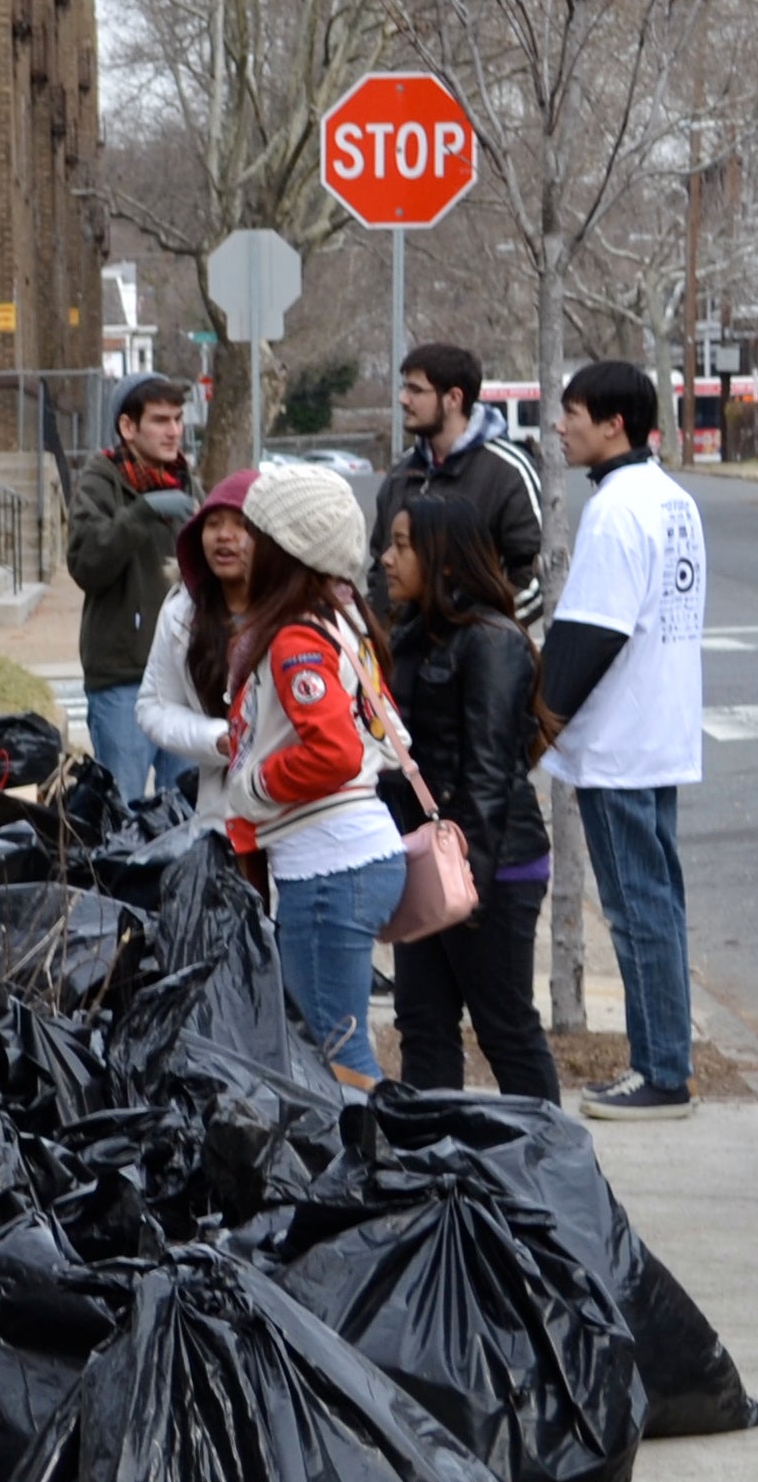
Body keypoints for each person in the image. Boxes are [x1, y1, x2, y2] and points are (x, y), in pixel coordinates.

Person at [537, 357, 709, 1118]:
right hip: (658, 733)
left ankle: (661, 1072)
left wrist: (535, 725)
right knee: (657, 905)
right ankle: (664, 1061)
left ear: (614, 424)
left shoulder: (615, 510)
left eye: (573, 413)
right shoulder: (672, 499)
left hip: (618, 742)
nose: (561, 426)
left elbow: (590, 633)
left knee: (638, 909)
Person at [215, 462, 408, 1086]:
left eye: (256, 533)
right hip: (344, 858)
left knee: (337, 1058)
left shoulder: (296, 638)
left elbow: (336, 753)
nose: (244, 544)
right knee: (331, 1044)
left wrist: (254, 785)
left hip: (329, 868)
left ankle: (377, 1176)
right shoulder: (342, 619)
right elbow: (383, 733)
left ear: (284, 550)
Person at [383, 490, 560, 1099]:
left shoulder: (492, 641)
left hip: (495, 867)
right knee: (424, 1025)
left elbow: (486, 776)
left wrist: (473, 889)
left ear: (446, 559)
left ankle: (549, 1170)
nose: (386, 559)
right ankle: (434, 1165)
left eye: (402, 546)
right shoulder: (410, 637)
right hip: (427, 861)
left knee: (505, 1027)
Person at [63, 377, 192, 802]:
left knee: (188, 813)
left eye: (177, 419)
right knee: (124, 811)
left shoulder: (186, 483)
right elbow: (85, 566)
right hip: (123, 678)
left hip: (185, 679)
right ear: (127, 427)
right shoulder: (100, 482)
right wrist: (140, 514)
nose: (173, 430)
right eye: (159, 420)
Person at [373, 341, 548, 621]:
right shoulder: (401, 473)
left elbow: (535, 578)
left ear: (454, 399)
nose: (403, 399)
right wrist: (385, 638)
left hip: (477, 659)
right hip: (403, 659)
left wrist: (477, 637)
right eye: (405, 388)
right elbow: (378, 572)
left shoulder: (508, 472)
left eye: (416, 390)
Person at [138, 466, 260, 818]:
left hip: (294, 824)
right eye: (213, 523)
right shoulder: (181, 611)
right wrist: (216, 738)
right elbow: (152, 707)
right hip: (221, 817)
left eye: (242, 524)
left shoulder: (299, 611)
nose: (225, 536)